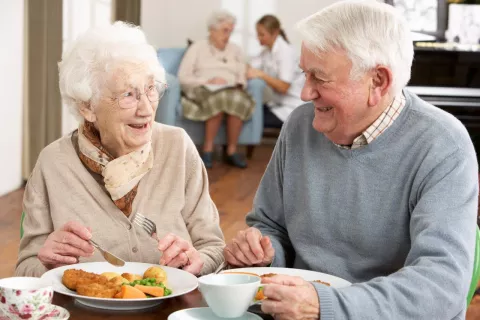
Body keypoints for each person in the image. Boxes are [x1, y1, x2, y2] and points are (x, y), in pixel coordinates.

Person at [224, 1, 479, 319]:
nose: (305, 93)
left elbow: (441, 288)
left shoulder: (444, 146)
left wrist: (326, 307)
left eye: (319, 78)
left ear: (378, 82)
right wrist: (262, 253)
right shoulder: (299, 126)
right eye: (305, 74)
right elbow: (270, 225)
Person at [15, 22, 225, 277]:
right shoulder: (53, 163)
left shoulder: (177, 146)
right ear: (87, 107)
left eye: (150, 89)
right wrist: (48, 266)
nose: (146, 109)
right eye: (128, 94)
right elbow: (25, 269)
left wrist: (197, 261)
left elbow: (213, 248)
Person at [178, 10, 254, 169]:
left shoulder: (236, 50)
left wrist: (236, 83)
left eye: (230, 31)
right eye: (225, 30)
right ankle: (207, 150)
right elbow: (183, 77)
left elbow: (242, 75)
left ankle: (232, 151)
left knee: (236, 99)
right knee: (219, 98)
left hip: (230, 89)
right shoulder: (197, 48)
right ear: (212, 30)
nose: (228, 35)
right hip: (203, 88)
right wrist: (208, 80)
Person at [248, 15, 304, 129]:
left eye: (262, 34)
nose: (258, 38)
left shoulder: (286, 52)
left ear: (275, 33)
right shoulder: (267, 51)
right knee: (247, 111)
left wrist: (262, 75)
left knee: (251, 119)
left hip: (292, 106)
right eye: (258, 34)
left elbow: (284, 87)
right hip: (277, 104)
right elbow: (250, 68)